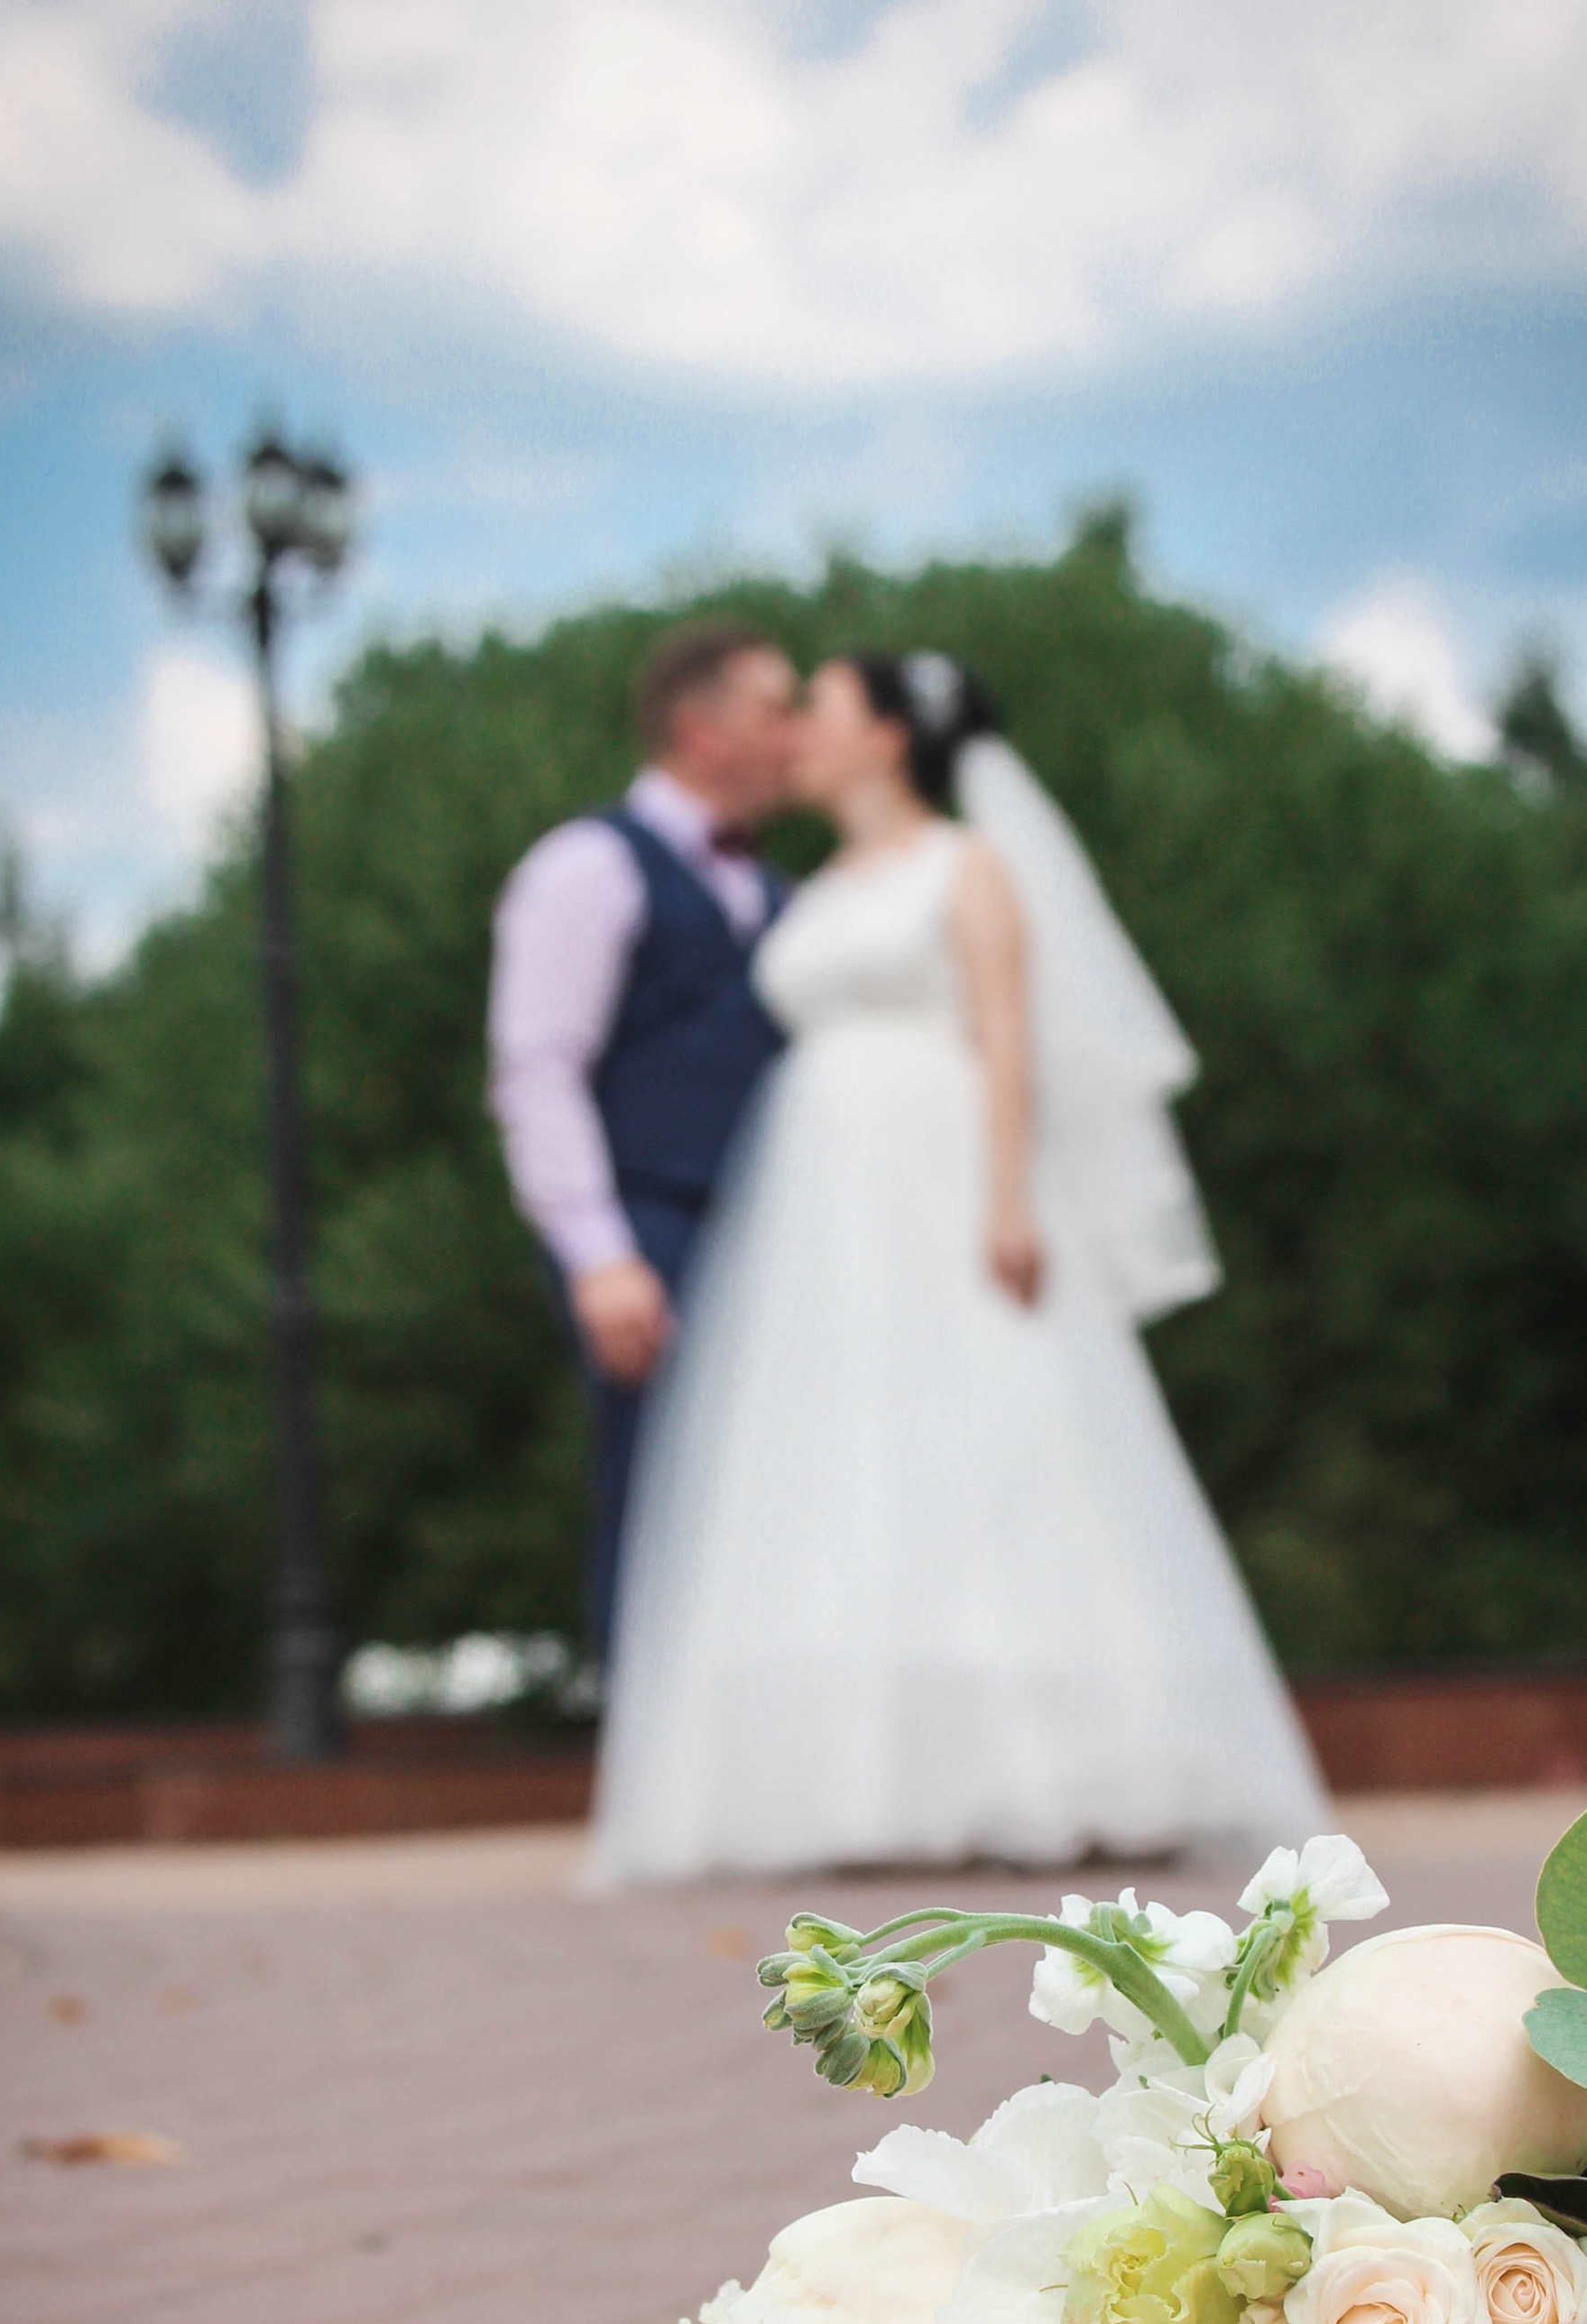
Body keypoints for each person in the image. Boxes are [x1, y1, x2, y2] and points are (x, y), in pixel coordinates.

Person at [587, 647, 1332, 1883]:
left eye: (818, 714)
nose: (797, 741)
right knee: (839, 1469)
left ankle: (1067, 1765)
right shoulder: (813, 888)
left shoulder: (967, 867)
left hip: (941, 1176)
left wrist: (1008, 1202)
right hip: (814, 1209)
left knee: (997, 1448)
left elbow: (1004, 1037)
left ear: (887, 736)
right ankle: (851, 1781)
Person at [489, 620, 798, 1652]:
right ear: (701, 732)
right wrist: (598, 1255)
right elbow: (539, 1066)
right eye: (775, 710)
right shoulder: (588, 865)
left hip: (779, 1237)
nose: (795, 734)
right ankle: (647, 1760)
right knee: (663, 1492)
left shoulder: (780, 894)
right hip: (650, 1226)